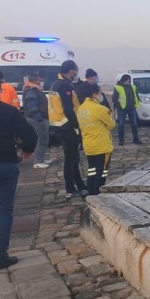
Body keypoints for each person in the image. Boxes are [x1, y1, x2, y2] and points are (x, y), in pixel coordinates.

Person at [0, 95, 37, 269]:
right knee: (4, 210)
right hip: (5, 165)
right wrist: (27, 150)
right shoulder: (8, 111)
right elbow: (29, 135)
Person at [48, 60, 88, 199]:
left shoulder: (56, 84)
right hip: (67, 126)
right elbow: (68, 109)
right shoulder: (64, 86)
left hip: (59, 125)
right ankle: (70, 188)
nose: (76, 73)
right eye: (76, 70)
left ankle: (80, 185)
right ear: (71, 71)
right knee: (71, 159)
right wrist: (77, 125)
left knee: (74, 157)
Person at [77, 83, 115, 195]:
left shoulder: (81, 108)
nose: (100, 95)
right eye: (99, 93)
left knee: (92, 170)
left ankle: (90, 190)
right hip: (102, 146)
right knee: (102, 172)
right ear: (94, 95)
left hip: (89, 146)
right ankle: (98, 193)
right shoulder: (100, 109)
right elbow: (111, 125)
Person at [22, 74, 51, 168]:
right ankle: (38, 161)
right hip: (36, 118)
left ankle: (40, 158)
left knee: (43, 138)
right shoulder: (31, 90)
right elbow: (32, 106)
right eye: (40, 80)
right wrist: (39, 119)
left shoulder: (34, 89)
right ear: (35, 81)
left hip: (37, 117)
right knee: (42, 138)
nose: (41, 82)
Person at [112, 74, 141, 145]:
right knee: (121, 125)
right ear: (124, 80)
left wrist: (136, 103)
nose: (130, 81)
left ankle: (136, 139)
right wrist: (119, 106)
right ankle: (121, 140)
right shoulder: (118, 87)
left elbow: (136, 95)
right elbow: (114, 99)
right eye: (128, 80)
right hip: (122, 109)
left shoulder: (133, 86)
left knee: (134, 124)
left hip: (132, 108)